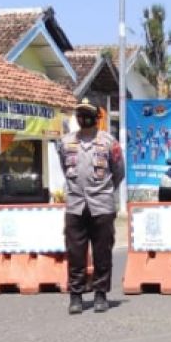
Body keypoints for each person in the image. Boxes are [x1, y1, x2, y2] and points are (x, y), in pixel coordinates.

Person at [58, 99, 125, 315]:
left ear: (96, 117)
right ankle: (76, 295)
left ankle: (100, 294)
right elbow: (64, 167)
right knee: (75, 253)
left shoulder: (109, 142)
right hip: (75, 204)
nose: (83, 118)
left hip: (102, 205)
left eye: (88, 114)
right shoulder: (65, 142)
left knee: (102, 252)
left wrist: (105, 191)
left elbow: (119, 171)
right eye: (80, 114)